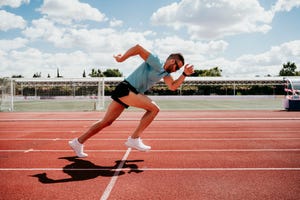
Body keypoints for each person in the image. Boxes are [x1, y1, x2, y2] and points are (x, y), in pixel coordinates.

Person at [69, 44, 194, 157]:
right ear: (172, 61)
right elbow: (138, 48)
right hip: (127, 89)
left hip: (128, 92)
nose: (176, 70)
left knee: (106, 122)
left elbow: (172, 86)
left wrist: (185, 74)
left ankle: (77, 142)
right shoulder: (156, 61)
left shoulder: (165, 74)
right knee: (154, 109)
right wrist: (121, 59)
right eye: (177, 67)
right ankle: (134, 138)